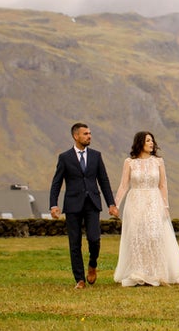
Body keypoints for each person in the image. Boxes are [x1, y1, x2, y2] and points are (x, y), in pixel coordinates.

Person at [49, 122, 119, 289]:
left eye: (90, 133)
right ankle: (79, 279)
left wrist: (111, 203)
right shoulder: (64, 158)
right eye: (86, 134)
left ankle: (92, 265)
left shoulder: (96, 156)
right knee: (75, 243)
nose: (89, 136)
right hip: (72, 204)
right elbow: (56, 183)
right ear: (76, 136)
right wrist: (53, 205)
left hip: (92, 204)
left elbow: (103, 180)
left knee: (94, 239)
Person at [113, 131, 179, 287]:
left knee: (154, 236)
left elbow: (163, 185)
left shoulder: (158, 161)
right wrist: (116, 204)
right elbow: (124, 185)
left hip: (154, 201)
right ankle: (138, 272)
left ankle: (157, 273)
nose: (151, 143)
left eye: (152, 140)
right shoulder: (129, 162)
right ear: (140, 143)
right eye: (148, 141)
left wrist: (165, 206)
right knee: (137, 236)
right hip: (135, 202)